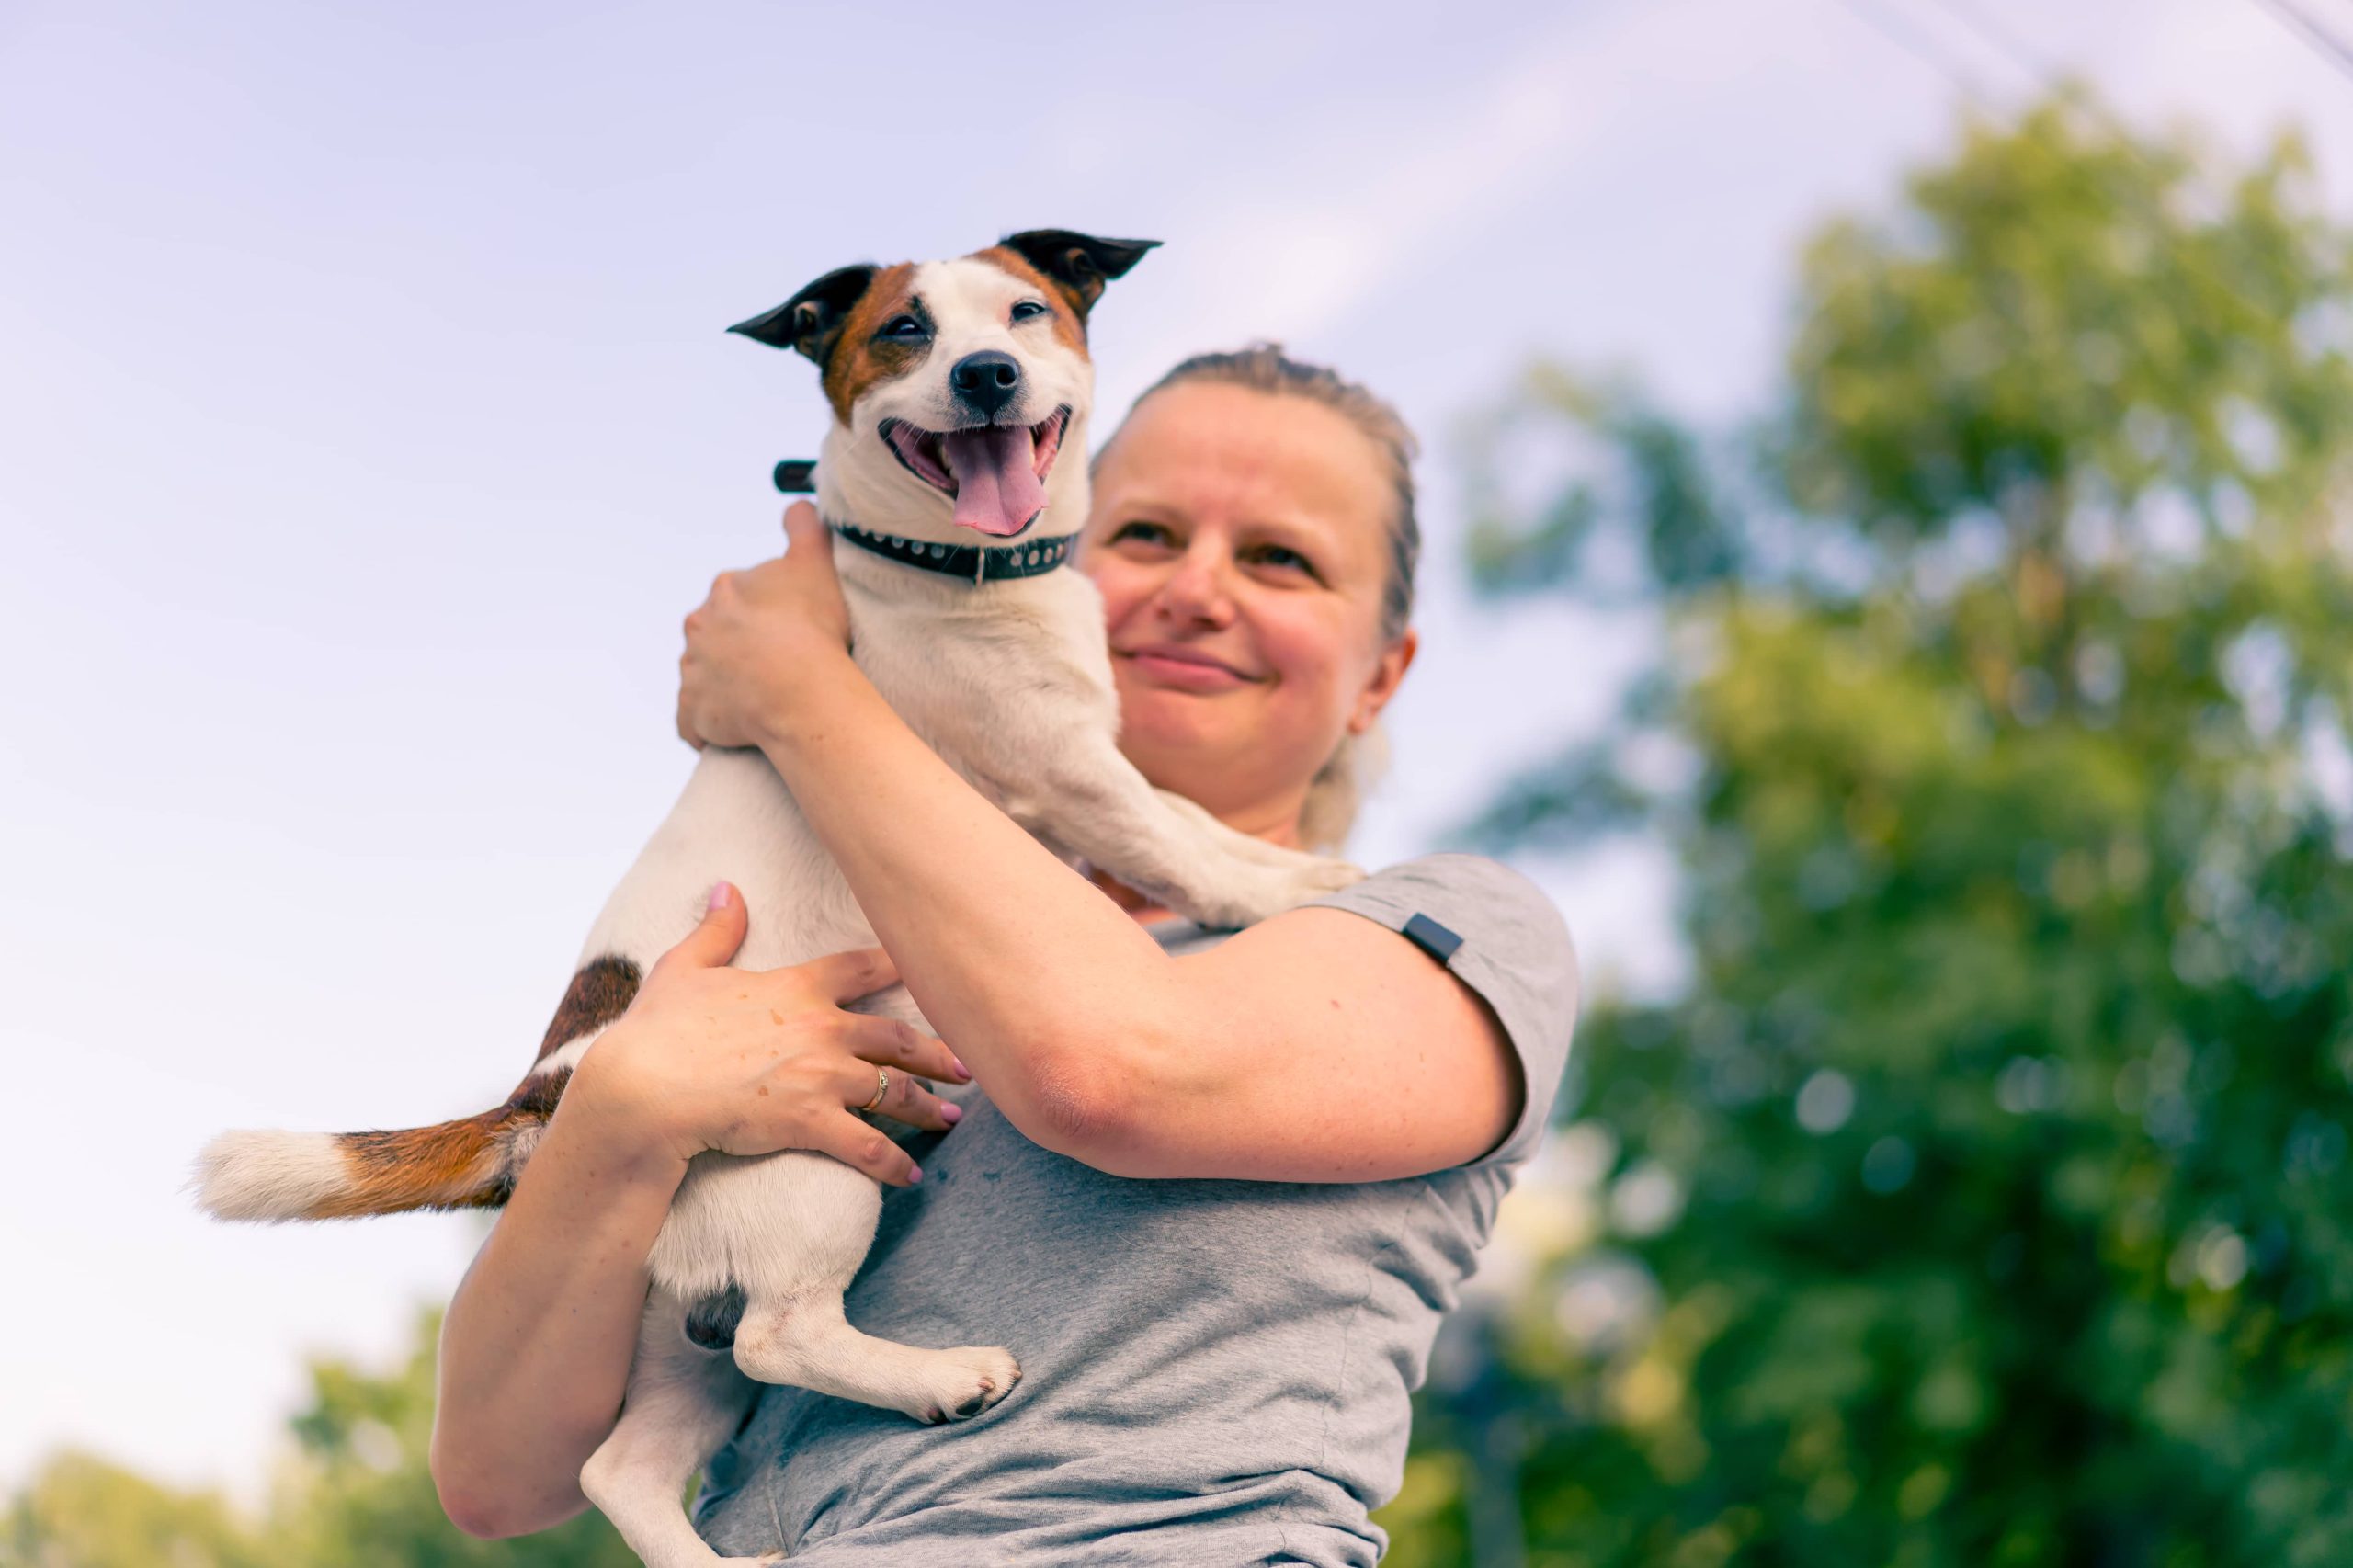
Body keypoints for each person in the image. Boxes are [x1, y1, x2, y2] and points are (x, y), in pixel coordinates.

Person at [430, 346, 1579, 1566]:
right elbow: (497, 1476)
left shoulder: (1454, 929)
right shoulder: (855, 956)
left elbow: (1110, 1067)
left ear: (1380, 676)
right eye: (1143, 535)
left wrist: (797, 688)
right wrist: (624, 1110)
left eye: (1279, 559)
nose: (1198, 588)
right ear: (1051, 564)